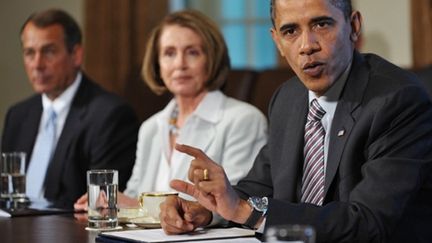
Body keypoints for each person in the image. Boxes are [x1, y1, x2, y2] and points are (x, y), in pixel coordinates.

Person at [159, 0, 432, 242]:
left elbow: (368, 222)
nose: (307, 46)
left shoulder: (397, 101)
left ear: (353, 26)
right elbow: (260, 187)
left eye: (322, 24)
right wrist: (208, 208)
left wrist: (245, 211)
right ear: (277, 41)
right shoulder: (288, 98)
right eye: (291, 31)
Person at [74, 10, 267, 209]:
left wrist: (135, 207)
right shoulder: (150, 127)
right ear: (157, 64)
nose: (180, 64)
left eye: (192, 52)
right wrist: (110, 201)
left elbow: (237, 203)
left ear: (213, 59)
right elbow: (135, 195)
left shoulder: (245, 120)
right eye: (169, 53)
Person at [1, 9, 140, 209]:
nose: (37, 64)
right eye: (30, 53)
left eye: (49, 51)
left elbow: (99, 203)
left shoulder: (110, 116)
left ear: (76, 54)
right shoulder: (18, 115)